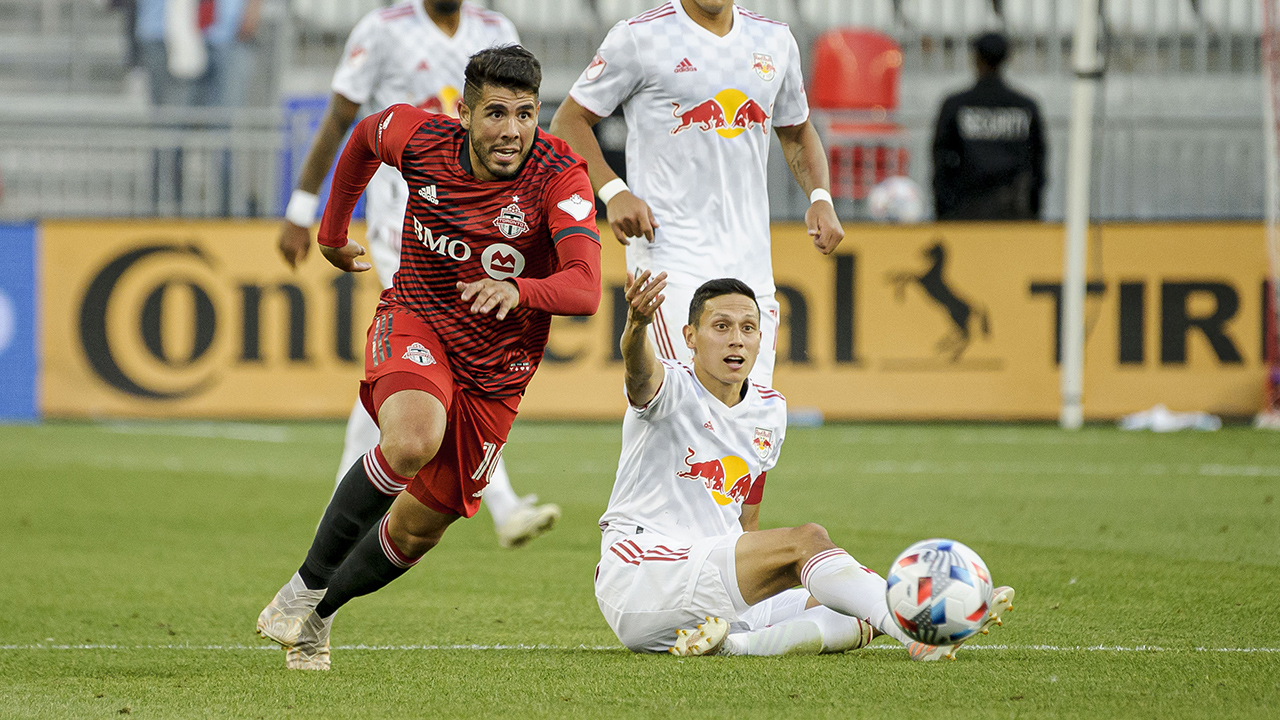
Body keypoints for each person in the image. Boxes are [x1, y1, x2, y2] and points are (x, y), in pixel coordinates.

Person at [256, 46, 603, 670]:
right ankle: (298, 589)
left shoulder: (559, 175)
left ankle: (318, 615)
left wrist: (519, 289)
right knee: (413, 438)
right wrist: (332, 231)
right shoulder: (422, 137)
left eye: (526, 114)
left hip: (498, 373)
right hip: (417, 319)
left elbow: (585, 286)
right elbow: (363, 137)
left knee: (420, 529)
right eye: (495, 113)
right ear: (464, 113)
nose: (512, 131)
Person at [599, 271, 1014, 658]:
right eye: (720, 326)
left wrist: (755, 576)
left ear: (761, 339)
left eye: (747, 328)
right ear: (690, 336)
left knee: (852, 605)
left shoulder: (769, 409)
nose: (736, 340)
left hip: (708, 581)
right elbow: (639, 374)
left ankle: (735, 646)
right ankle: (917, 629)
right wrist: (637, 327)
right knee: (809, 540)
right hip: (642, 570)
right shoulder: (670, 386)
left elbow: (747, 517)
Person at [277, 0, 562, 549]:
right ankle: (502, 505)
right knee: (446, 353)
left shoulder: (496, 30)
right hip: (404, 220)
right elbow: (345, 119)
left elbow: (518, 130)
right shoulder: (382, 31)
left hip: (478, 224)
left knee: (405, 378)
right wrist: (301, 208)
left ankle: (343, 504)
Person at [549, 0, 844, 388]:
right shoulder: (640, 37)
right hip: (670, 259)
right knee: (683, 406)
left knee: (748, 409)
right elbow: (568, 121)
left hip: (750, 265)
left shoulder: (774, 40)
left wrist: (820, 196)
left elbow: (797, 131)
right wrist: (614, 191)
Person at [931, 31, 1047, 221]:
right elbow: (1038, 162)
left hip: (965, 210)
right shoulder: (1025, 106)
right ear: (1007, 59)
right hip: (1014, 211)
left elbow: (941, 160)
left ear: (976, 58)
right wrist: (1033, 209)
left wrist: (943, 210)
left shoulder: (956, 105)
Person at [135, 0, 262, 107]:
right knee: (173, 110)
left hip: (228, 33)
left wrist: (252, 12)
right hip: (164, 33)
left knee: (221, 114)